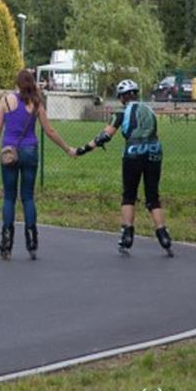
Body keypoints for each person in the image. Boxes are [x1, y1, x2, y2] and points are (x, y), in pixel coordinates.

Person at [0, 69, 76, 260]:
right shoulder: (36, 103)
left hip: (9, 152)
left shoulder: (6, 101)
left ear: (17, 84)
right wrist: (67, 148)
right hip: (30, 151)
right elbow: (49, 131)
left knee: (9, 197)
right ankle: (32, 240)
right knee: (28, 197)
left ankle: (6, 242)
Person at [75, 79, 173, 257]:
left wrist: (83, 149)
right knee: (153, 196)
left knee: (129, 195)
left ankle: (127, 235)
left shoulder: (121, 112)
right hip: (154, 152)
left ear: (122, 97)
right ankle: (163, 235)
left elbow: (105, 136)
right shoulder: (149, 110)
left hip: (133, 153)